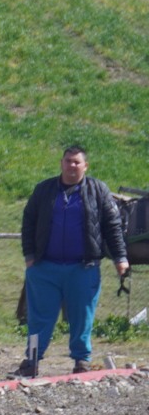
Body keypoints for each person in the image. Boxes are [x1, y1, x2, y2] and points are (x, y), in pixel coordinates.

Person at [18, 145, 128, 377]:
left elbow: (112, 226)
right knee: (39, 318)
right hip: (44, 267)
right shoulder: (44, 189)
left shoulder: (98, 190)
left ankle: (82, 361)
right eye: (68, 161)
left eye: (77, 162)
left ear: (85, 166)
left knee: (82, 317)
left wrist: (120, 257)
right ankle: (32, 360)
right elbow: (28, 222)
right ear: (61, 163)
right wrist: (29, 256)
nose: (72, 166)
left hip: (83, 267)